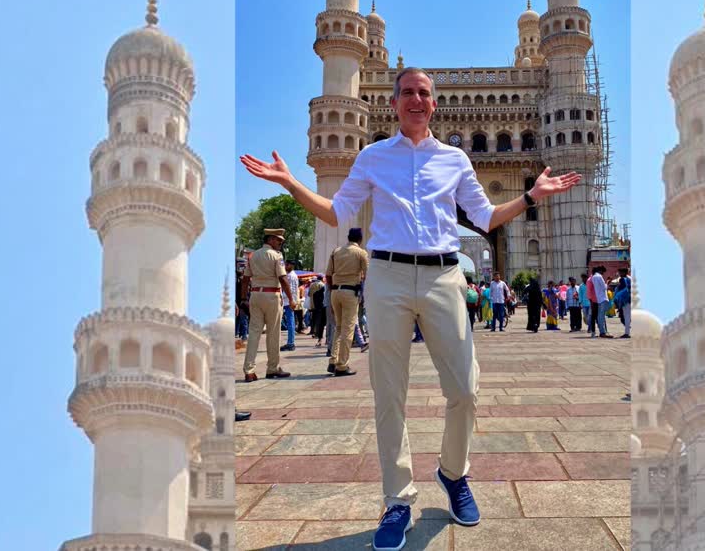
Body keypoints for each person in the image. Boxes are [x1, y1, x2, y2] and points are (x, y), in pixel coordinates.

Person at [241, 67, 580, 550]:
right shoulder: (372, 157)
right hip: (388, 276)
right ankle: (397, 499)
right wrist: (292, 184)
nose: (416, 100)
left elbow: (483, 218)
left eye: (424, 94)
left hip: (445, 275)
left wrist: (529, 196)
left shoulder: (456, 158)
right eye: (407, 94)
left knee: (465, 387)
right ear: (393, 103)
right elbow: (339, 212)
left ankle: (453, 473)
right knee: (389, 395)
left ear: (434, 104)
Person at [241, 228, 295, 381]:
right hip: (272, 295)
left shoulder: (253, 256)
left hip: (255, 295)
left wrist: (244, 298)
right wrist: (291, 299)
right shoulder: (276, 256)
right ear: (270, 239)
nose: (280, 243)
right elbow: (283, 279)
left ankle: (249, 370)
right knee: (273, 334)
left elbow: (245, 280)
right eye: (278, 240)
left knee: (254, 334)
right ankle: (272, 368)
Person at [326, 227, 369, 376]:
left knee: (338, 327)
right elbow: (367, 275)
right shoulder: (361, 253)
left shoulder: (336, 251)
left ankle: (333, 360)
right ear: (360, 239)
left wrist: (331, 291)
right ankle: (342, 365)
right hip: (350, 292)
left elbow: (328, 275)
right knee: (348, 329)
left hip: (335, 291)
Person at [588, 266, 614, 339]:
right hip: (603, 298)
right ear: (600, 270)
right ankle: (602, 332)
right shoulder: (599, 277)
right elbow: (604, 287)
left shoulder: (593, 277)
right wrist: (608, 282)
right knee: (601, 317)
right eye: (603, 272)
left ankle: (602, 331)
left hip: (598, 299)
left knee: (600, 316)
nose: (603, 273)